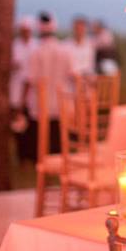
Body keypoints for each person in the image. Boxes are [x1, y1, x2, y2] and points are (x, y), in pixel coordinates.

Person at [20, 12, 74, 161]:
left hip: (40, 104)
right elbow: (72, 76)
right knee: (57, 140)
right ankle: (58, 162)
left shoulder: (35, 51)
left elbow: (29, 80)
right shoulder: (65, 50)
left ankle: (42, 163)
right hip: (59, 103)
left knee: (40, 140)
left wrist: (21, 103)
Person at [10, 16, 38, 162]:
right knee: (18, 124)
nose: (26, 32)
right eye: (23, 30)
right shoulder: (14, 46)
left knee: (32, 124)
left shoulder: (36, 45)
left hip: (33, 93)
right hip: (16, 90)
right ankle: (21, 156)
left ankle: (32, 155)